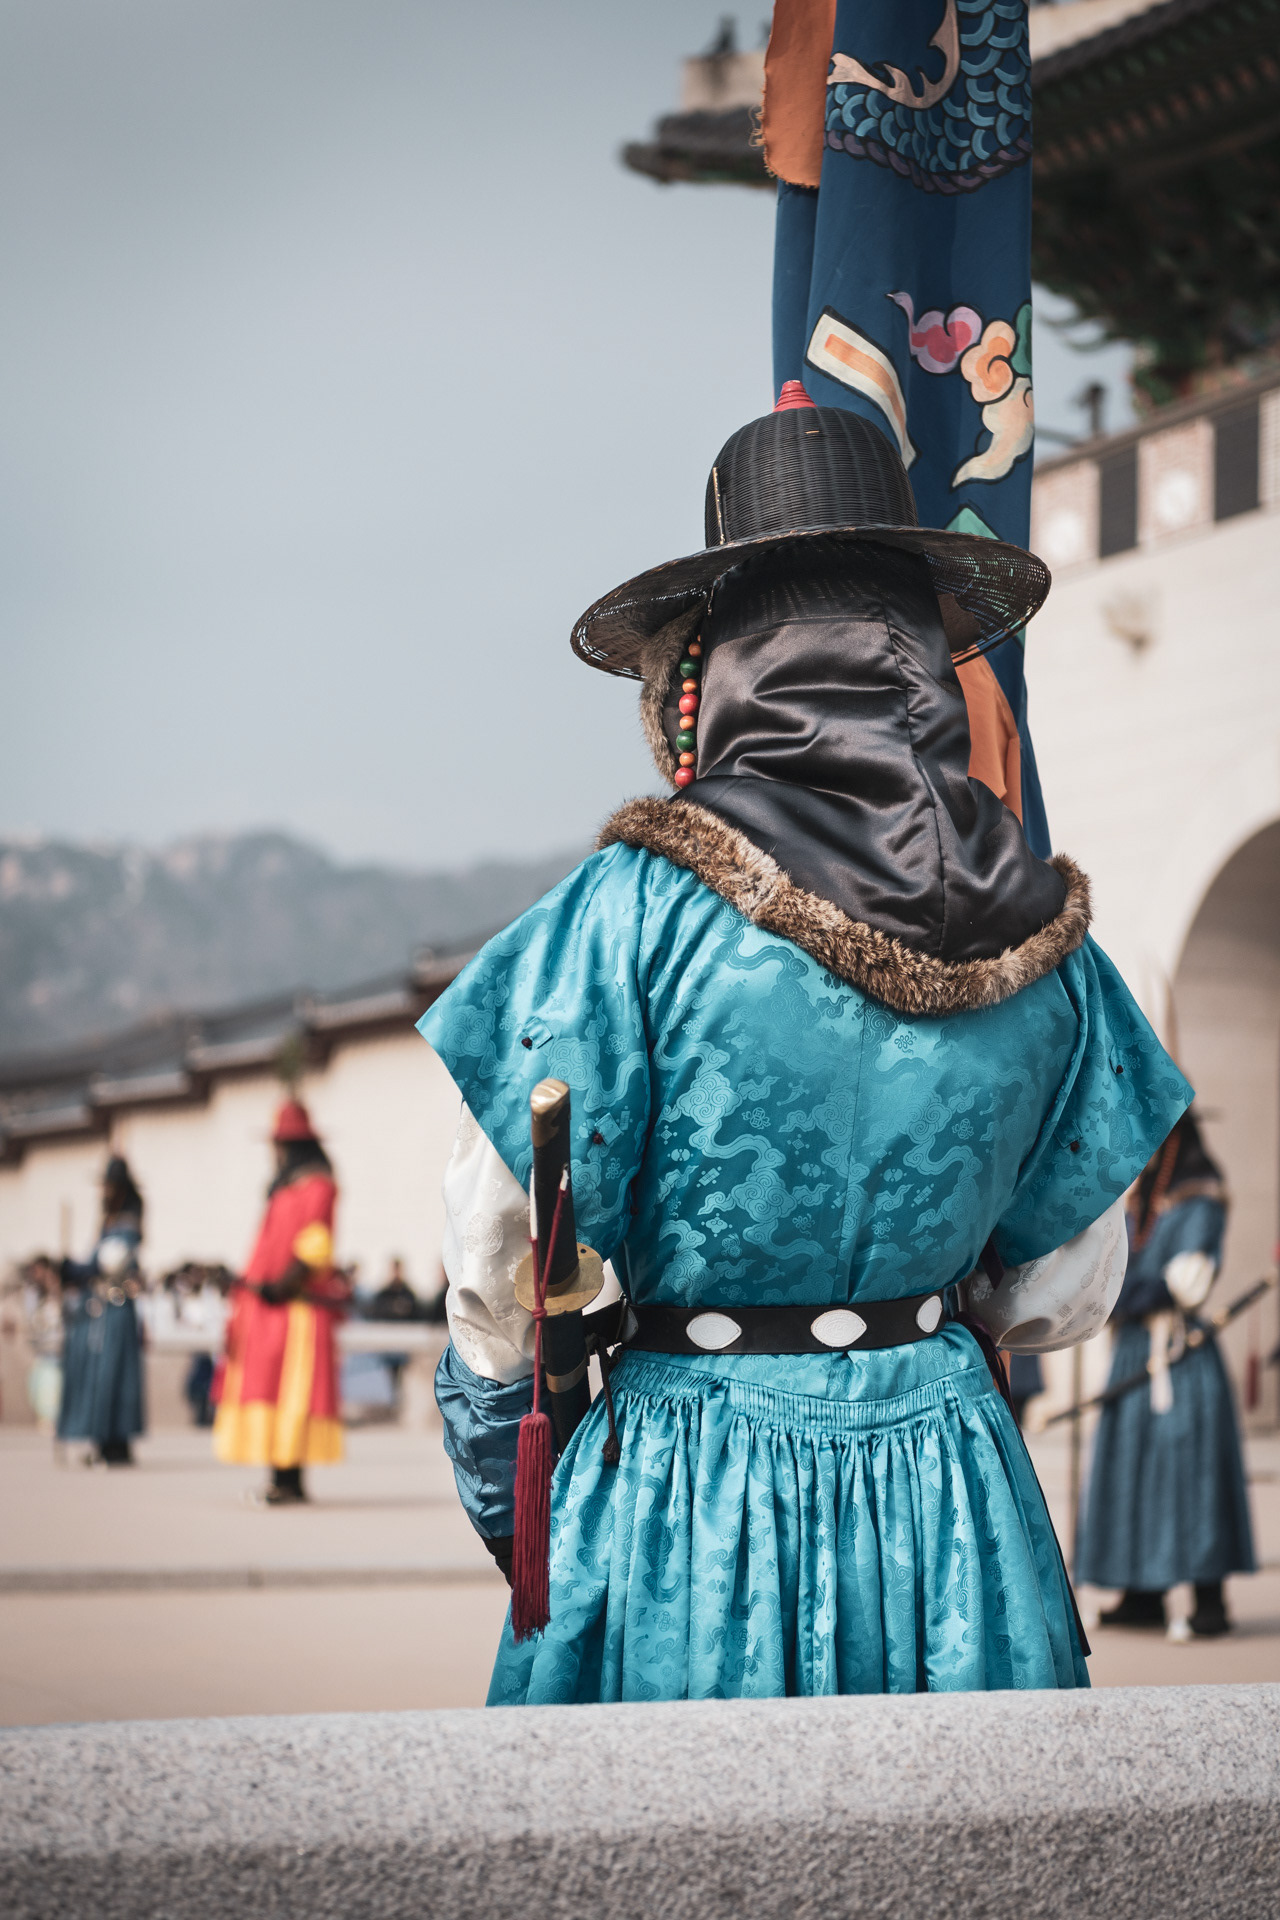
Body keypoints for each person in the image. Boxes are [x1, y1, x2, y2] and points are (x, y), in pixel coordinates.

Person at [420, 392, 1191, 1703]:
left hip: (687, 1489)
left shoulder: (621, 917)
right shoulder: (1051, 932)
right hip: (948, 1492)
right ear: (918, 655)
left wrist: (514, 1463)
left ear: (712, 675)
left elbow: (503, 1269)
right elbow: (1066, 1290)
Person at [1077, 1112, 1255, 1635]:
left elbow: (1182, 1281)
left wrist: (1118, 1292)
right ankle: (1142, 1593)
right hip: (1133, 1350)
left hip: (1179, 1353)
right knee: (1131, 1466)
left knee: (1190, 1470)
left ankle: (1208, 1598)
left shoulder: (1202, 1194)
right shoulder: (1137, 1200)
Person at [213, 1100, 349, 1504]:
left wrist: (283, 1285)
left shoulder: (320, 1186)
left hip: (296, 1305)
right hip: (268, 1305)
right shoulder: (285, 1189)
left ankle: (289, 1480)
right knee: (274, 1389)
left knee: (294, 1391)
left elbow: (314, 1246)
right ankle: (280, 1477)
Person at [57, 1157, 147, 1465]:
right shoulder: (107, 1225)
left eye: (108, 1186)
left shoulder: (127, 1226)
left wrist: (81, 1268)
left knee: (114, 1374)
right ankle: (101, 1439)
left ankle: (116, 1441)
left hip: (117, 1309)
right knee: (98, 1374)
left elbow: (111, 1262)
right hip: (100, 1309)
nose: (104, 1192)